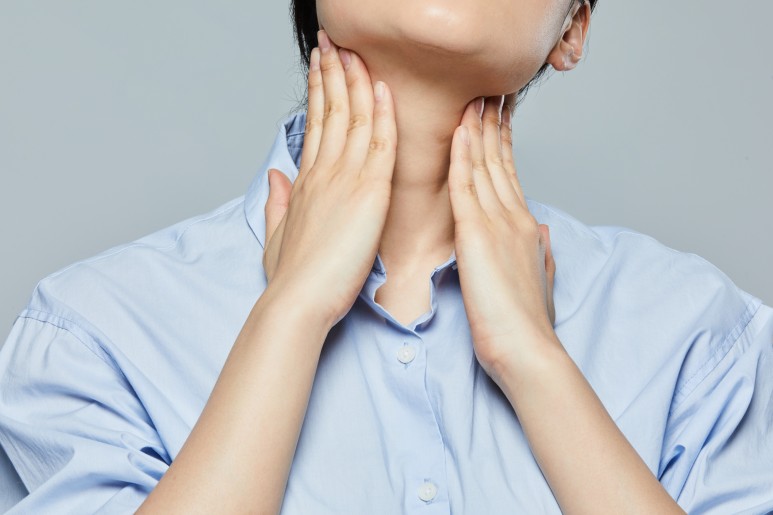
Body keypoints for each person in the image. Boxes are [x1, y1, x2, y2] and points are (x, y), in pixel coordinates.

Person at [0, 0, 771, 513]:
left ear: (573, 26)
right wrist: (291, 314)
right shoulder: (93, 334)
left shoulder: (703, 340)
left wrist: (534, 361)